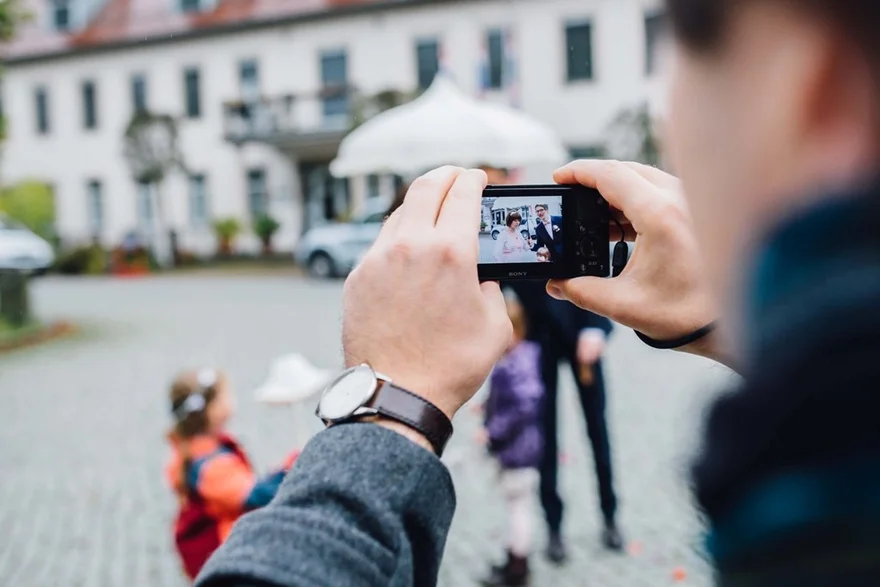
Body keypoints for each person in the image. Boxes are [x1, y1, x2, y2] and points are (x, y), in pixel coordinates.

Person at [198, 0, 880, 583]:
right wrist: (727, 322)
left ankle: (601, 514)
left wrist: (389, 404)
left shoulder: (815, 522)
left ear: (812, 94)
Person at [166, 368, 298, 581]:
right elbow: (254, 495)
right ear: (212, 410)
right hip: (228, 552)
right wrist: (292, 467)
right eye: (226, 395)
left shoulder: (200, 450)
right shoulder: (211, 465)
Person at [479, 294, 544, 587]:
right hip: (523, 448)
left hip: (519, 451)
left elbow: (522, 405)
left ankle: (518, 567)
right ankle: (514, 559)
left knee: (519, 508)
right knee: (517, 507)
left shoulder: (514, 365)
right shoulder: (524, 357)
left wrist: (492, 430)